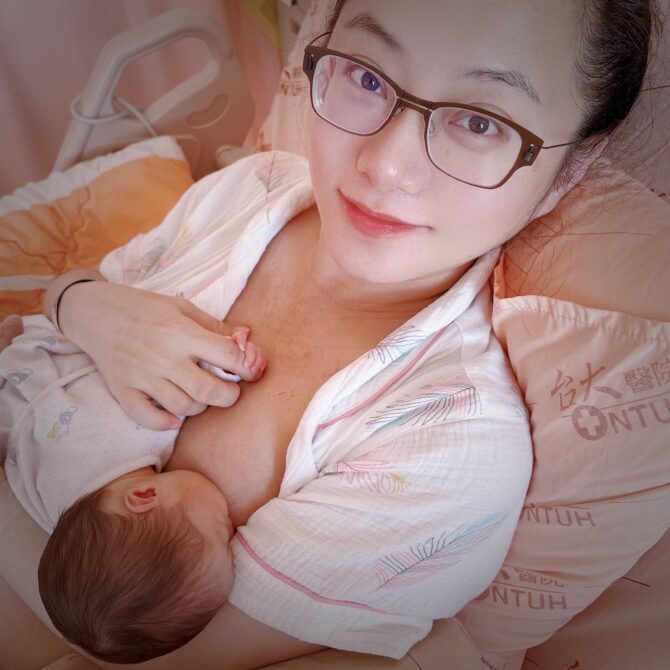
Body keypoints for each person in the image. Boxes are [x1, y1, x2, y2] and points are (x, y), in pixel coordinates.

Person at [3, 1, 660, 668]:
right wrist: (80, 303)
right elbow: (51, 324)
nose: (384, 166)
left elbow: (124, 657)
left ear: (571, 169)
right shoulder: (249, 189)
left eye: (479, 122)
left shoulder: (448, 445)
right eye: (368, 77)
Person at [0, 313, 266, 663]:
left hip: (47, 356)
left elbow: (178, 375)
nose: (232, 529)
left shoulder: (135, 431)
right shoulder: (65, 520)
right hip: (18, 409)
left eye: (219, 531)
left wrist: (228, 365)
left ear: (145, 496)